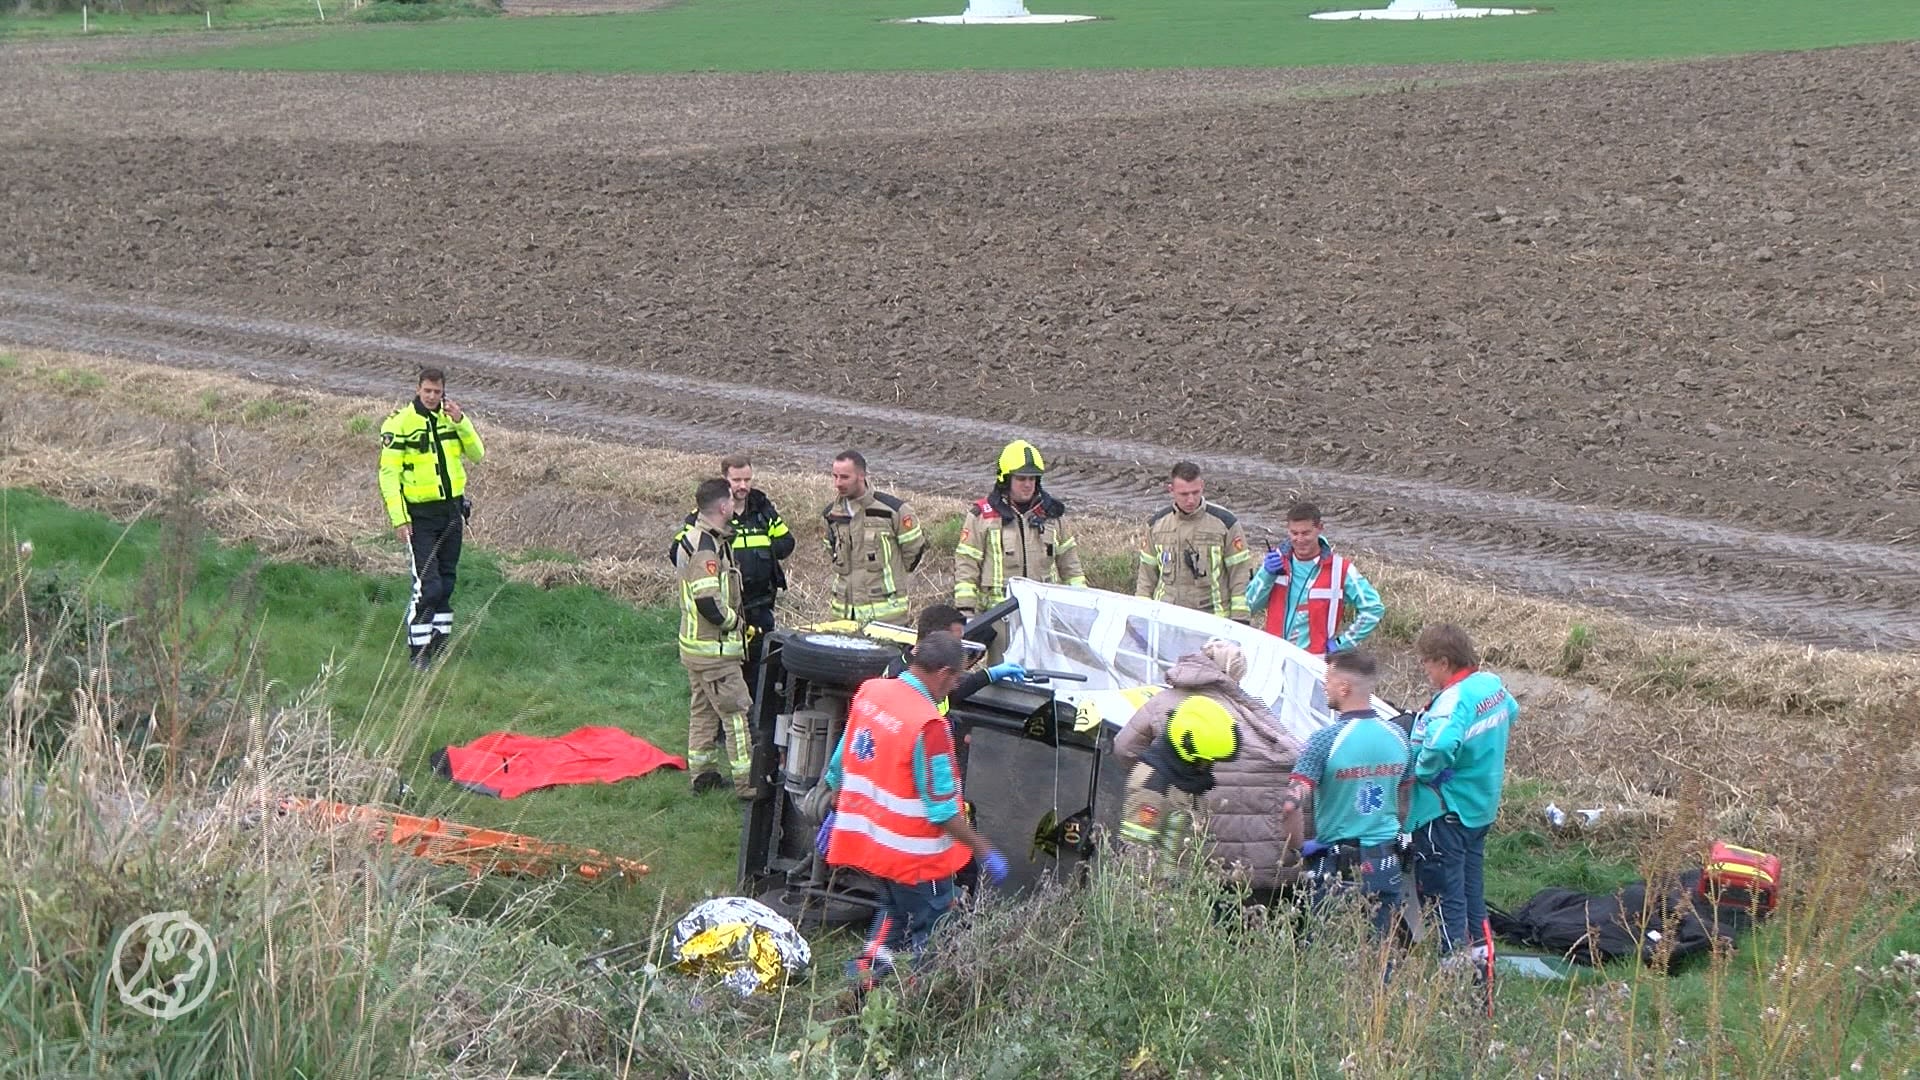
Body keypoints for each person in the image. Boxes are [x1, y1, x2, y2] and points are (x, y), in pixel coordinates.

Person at [814, 632, 1012, 996]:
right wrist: (985, 850)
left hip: (870, 846)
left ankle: (863, 982)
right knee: (934, 927)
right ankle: (920, 1001)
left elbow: (841, 761)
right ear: (942, 672)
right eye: (956, 679)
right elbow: (942, 812)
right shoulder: (928, 725)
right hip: (917, 858)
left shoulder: (872, 692)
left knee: (893, 913)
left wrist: (836, 813)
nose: (954, 687)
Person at [1112, 640, 1302, 892]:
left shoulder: (1162, 701)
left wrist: (1163, 773)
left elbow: (1124, 747)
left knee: (1155, 862)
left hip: (1178, 816)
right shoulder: (1250, 709)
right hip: (1252, 856)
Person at [1404, 623, 1520, 976]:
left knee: (1446, 903)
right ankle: (1483, 975)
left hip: (1445, 813)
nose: (1424, 670)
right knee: (1473, 900)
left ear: (1443, 660)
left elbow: (1438, 745)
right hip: (1479, 809)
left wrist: (1423, 772)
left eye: (1426, 662)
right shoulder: (1490, 685)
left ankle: (1454, 984)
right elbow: (1511, 712)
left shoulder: (1453, 700)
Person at [1287, 649, 1413, 941]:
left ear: (1344, 688)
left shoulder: (1325, 740)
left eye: (1327, 678)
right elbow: (1405, 800)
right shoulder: (1399, 736)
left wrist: (1297, 848)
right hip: (1386, 861)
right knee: (1380, 951)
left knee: (1328, 954)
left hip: (1337, 862)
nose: (1324, 685)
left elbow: (1290, 806)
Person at [378, 366, 484, 671]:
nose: (432, 397)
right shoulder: (399, 425)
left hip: (451, 512)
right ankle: (419, 652)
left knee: (447, 582)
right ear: (418, 389)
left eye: (437, 392)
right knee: (428, 585)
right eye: (427, 391)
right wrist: (399, 518)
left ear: (443, 392)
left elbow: (478, 454)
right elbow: (389, 475)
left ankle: (439, 645)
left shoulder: (452, 420)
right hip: (419, 517)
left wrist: (461, 422)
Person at [670, 454, 795, 692]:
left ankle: (757, 720)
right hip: (727, 608)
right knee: (729, 675)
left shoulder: (762, 508)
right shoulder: (707, 515)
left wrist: (761, 551)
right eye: (737, 480)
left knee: (761, 671)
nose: (743, 486)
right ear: (725, 479)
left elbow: (786, 543)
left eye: (747, 479)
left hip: (760, 606)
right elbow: (678, 550)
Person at [953, 440, 1087, 659]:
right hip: (1000, 619)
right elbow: (967, 565)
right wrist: (965, 612)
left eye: (1032, 479)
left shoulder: (1051, 516)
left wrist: (1081, 608)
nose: (1027, 485)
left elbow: (1070, 566)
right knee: (1001, 675)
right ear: (1005, 479)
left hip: (1042, 617)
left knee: (1044, 674)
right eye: (1021, 478)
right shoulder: (982, 516)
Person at [673, 478, 755, 798]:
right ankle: (746, 784)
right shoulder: (707, 547)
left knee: (703, 712)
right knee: (735, 714)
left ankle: (703, 775)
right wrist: (735, 623)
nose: (734, 506)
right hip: (714, 652)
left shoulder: (694, 539)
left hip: (696, 649)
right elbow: (709, 602)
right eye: (731, 502)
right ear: (723, 506)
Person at [1247, 500, 1385, 658]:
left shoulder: (1340, 569)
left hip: (1314, 662)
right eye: (1294, 533)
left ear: (1320, 528)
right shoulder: (1275, 563)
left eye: (1306, 533)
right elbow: (1249, 606)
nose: (1299, 540)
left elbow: (1373, 609)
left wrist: (1343, 643)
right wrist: (1266, 575)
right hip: (1273, 656)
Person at [1135, 462, 1254, 624]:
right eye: (1184, 494)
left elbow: (1240, 574)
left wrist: (1240, 619)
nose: (1191, 500)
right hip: (1166, 620)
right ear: (1171, 490)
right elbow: (1146, 578)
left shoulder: (1225, 523)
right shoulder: (1156, 525)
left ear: (1202, 486)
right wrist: (1140, 616)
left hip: (1212, 620)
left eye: (1195, 492)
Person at [822, 450, 927, 623]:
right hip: (843, 616)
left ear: (861, 476)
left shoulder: (893, 510)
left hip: (886, 617)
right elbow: (831, 550)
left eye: (845, 477)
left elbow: (913, 550)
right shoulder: (830, 514)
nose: (838, 483)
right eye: (835, 476)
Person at [883, 604, 1030, 714]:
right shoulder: (902, 678)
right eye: (956, 641)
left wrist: (990, 675)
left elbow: (951, 694)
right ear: (934, 636)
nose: (959, 648)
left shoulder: (928, 670)